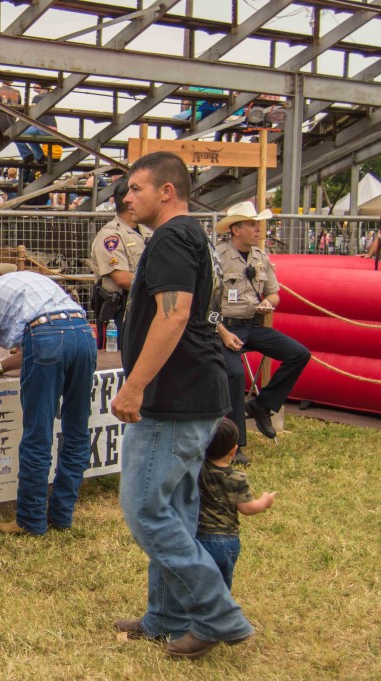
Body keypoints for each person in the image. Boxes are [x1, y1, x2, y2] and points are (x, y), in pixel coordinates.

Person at [110, 151, 253, 659]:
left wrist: (135, 386)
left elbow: (174, 318)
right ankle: (167, 616)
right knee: (175, 507)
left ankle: (218, 615)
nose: (128, 198)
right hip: (195, 391)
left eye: (136, 188)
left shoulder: (172, 236)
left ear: (166, 191)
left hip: (173, 397)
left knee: (147, 509)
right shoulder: (197, 236)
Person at [0, 267, 97, 536]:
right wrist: (1, 367)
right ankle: (62, 515)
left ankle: (30, 520)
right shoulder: (29, 282)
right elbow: (36, 344)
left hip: (45, 336)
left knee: (37, 434)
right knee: (76, 431)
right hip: (82, 332)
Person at [214, 201, 310, 464]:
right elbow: (205, 302)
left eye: (258, 224)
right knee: (234, 373)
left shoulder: (260, 257)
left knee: (299, 354)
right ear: (235, 229)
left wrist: (269, 302)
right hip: (224, 328)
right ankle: (234, 444)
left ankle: (262, 405)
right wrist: (221, 331)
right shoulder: (218, 257)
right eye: (251, 224)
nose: (258, 229)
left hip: (253, 325)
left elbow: (274, 293)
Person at [196, 418, 276, 591]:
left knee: (198, 584)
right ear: (234, 450)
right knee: (221, 587)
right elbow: (247, 508)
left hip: (198, 537)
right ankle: (219, 614)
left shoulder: (199, 470)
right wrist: (265, 501)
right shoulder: (237, 478)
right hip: (226, 541)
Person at [89, 178, 152, 348]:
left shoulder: (146, 231)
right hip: (118, 313)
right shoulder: (111, 236)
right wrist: (159, 285)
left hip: (144, 306)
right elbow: (122, 278)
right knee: (118, 361)